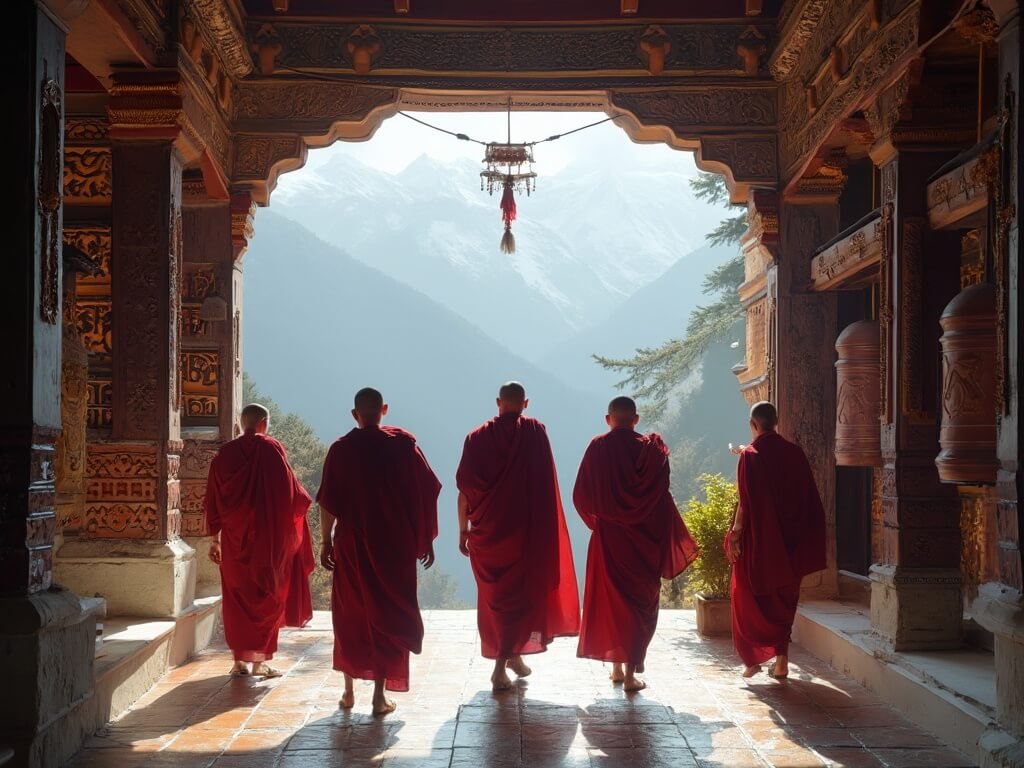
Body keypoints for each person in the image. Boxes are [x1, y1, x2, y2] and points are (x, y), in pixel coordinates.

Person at [317, 388, 441, 715]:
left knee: (350, 615)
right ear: (384, 409)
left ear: (354, 414)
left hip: (353, 544)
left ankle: (347, 693)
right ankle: (378, 696)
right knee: (387, 615)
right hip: (393, 546)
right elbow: (428, 491)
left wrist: (326, 540)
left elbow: (328, 501)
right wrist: (423, 537)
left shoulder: (341, 450)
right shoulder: (402, 448)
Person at [456, 381, 580, 691]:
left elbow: (465, 492)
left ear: (498, 401)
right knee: (523, 599)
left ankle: (512, 657)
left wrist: (463, 530)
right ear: (526, 403)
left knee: (498, 600)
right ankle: (500, 667)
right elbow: (545, 488)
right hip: (527, 535)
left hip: (489, 534)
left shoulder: (477, 437)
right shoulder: (535, 433)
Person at [574, 396, 699, 691]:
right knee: (639, 607)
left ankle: (616, 668)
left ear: (608, 419)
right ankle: (629, 675)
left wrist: (599, 523)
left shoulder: (598, 447)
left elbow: (580, 495)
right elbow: (662, 496)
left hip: (610, 540)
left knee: (612, 604)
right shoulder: (652, 451)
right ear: (636, 419)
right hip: (646, 541)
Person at [205, 403, 314, 678]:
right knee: (268, 598)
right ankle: (259, 663)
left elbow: (213, 499)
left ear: (241, 424)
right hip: (269, 544)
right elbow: (292, 495)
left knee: (237, 600)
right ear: (264, 422)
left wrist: (214, 540)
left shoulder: (225, 454)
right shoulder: (271, 449)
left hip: (233, 541)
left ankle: (238, 662)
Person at [725, 401, 826, 679]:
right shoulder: (795, 453)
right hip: (791, 542)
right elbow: (807, 497)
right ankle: (781, 660)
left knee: (746, 596)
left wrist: (735, 533)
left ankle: (752, 661)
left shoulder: (750, 456)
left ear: (752, 425)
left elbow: (746, 502)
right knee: (784, 599)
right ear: (777, 421)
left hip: (759, 542)